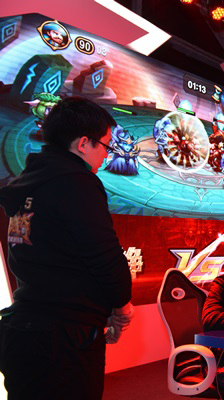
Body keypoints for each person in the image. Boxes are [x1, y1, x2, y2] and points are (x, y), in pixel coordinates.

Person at [0, 97, 134, 400]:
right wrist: (122, 307)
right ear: (83, 143)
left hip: (24, 329)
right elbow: (104, 254)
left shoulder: (29, 180)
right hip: (62, 342)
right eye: (106, 145)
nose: (106, 155)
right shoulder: (77, 181)